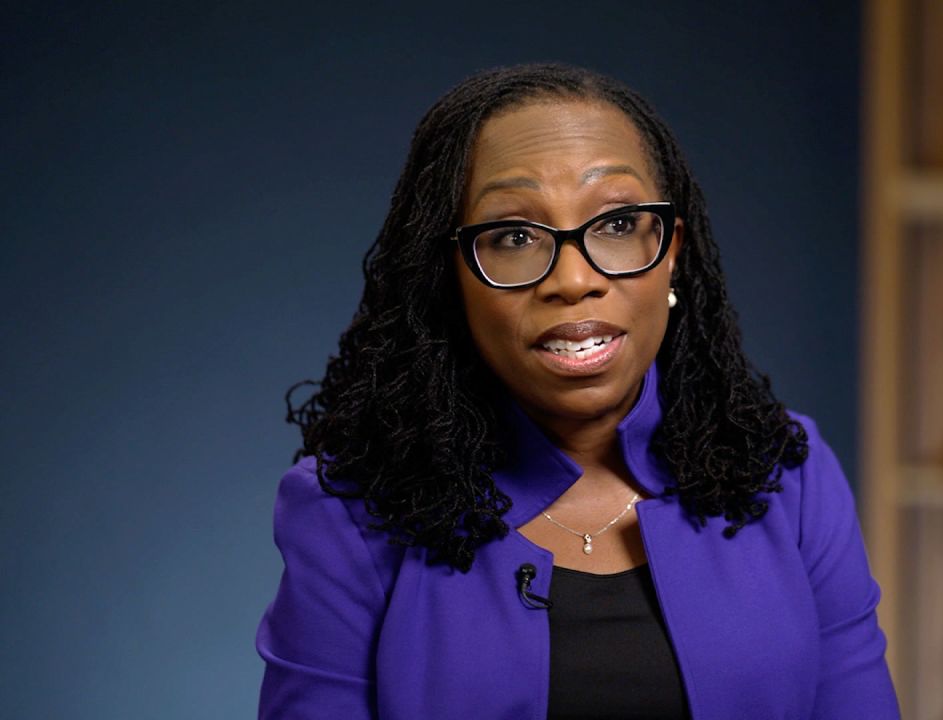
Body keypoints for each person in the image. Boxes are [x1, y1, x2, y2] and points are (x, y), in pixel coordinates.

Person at [256, 63, 898, 719]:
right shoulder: (350, 512)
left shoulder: (789, 474)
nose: (573, 279)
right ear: (448, 276)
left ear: (671, 249)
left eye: (617, 224)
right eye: (513, 236)